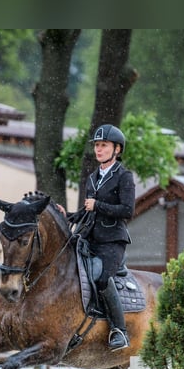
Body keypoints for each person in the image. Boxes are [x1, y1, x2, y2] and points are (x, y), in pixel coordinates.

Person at [61, 124, 135, 351]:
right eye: (97, 145)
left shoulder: (124, 176)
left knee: (102, 279)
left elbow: (127, 210)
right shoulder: (93, 178)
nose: (99, 149)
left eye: (103, 145)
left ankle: (119, 331)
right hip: (90, 238)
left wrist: (98, 205)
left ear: (117, 149)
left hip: (113, 241)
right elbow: (87, 211)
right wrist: (67, 215)